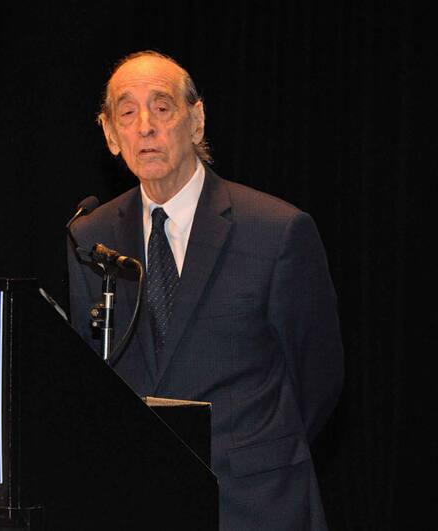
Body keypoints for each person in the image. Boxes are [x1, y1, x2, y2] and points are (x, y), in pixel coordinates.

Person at [67, 50, 344, 530]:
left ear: (196, 122)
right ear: (111, 135)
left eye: (162, 106)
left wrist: (255, 450)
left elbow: (316, 377)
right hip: (139, 501)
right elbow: (92, 376)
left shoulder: (276, 230)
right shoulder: (91, 236)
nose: (145, 126)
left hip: (255, 504)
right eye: (127, 112)